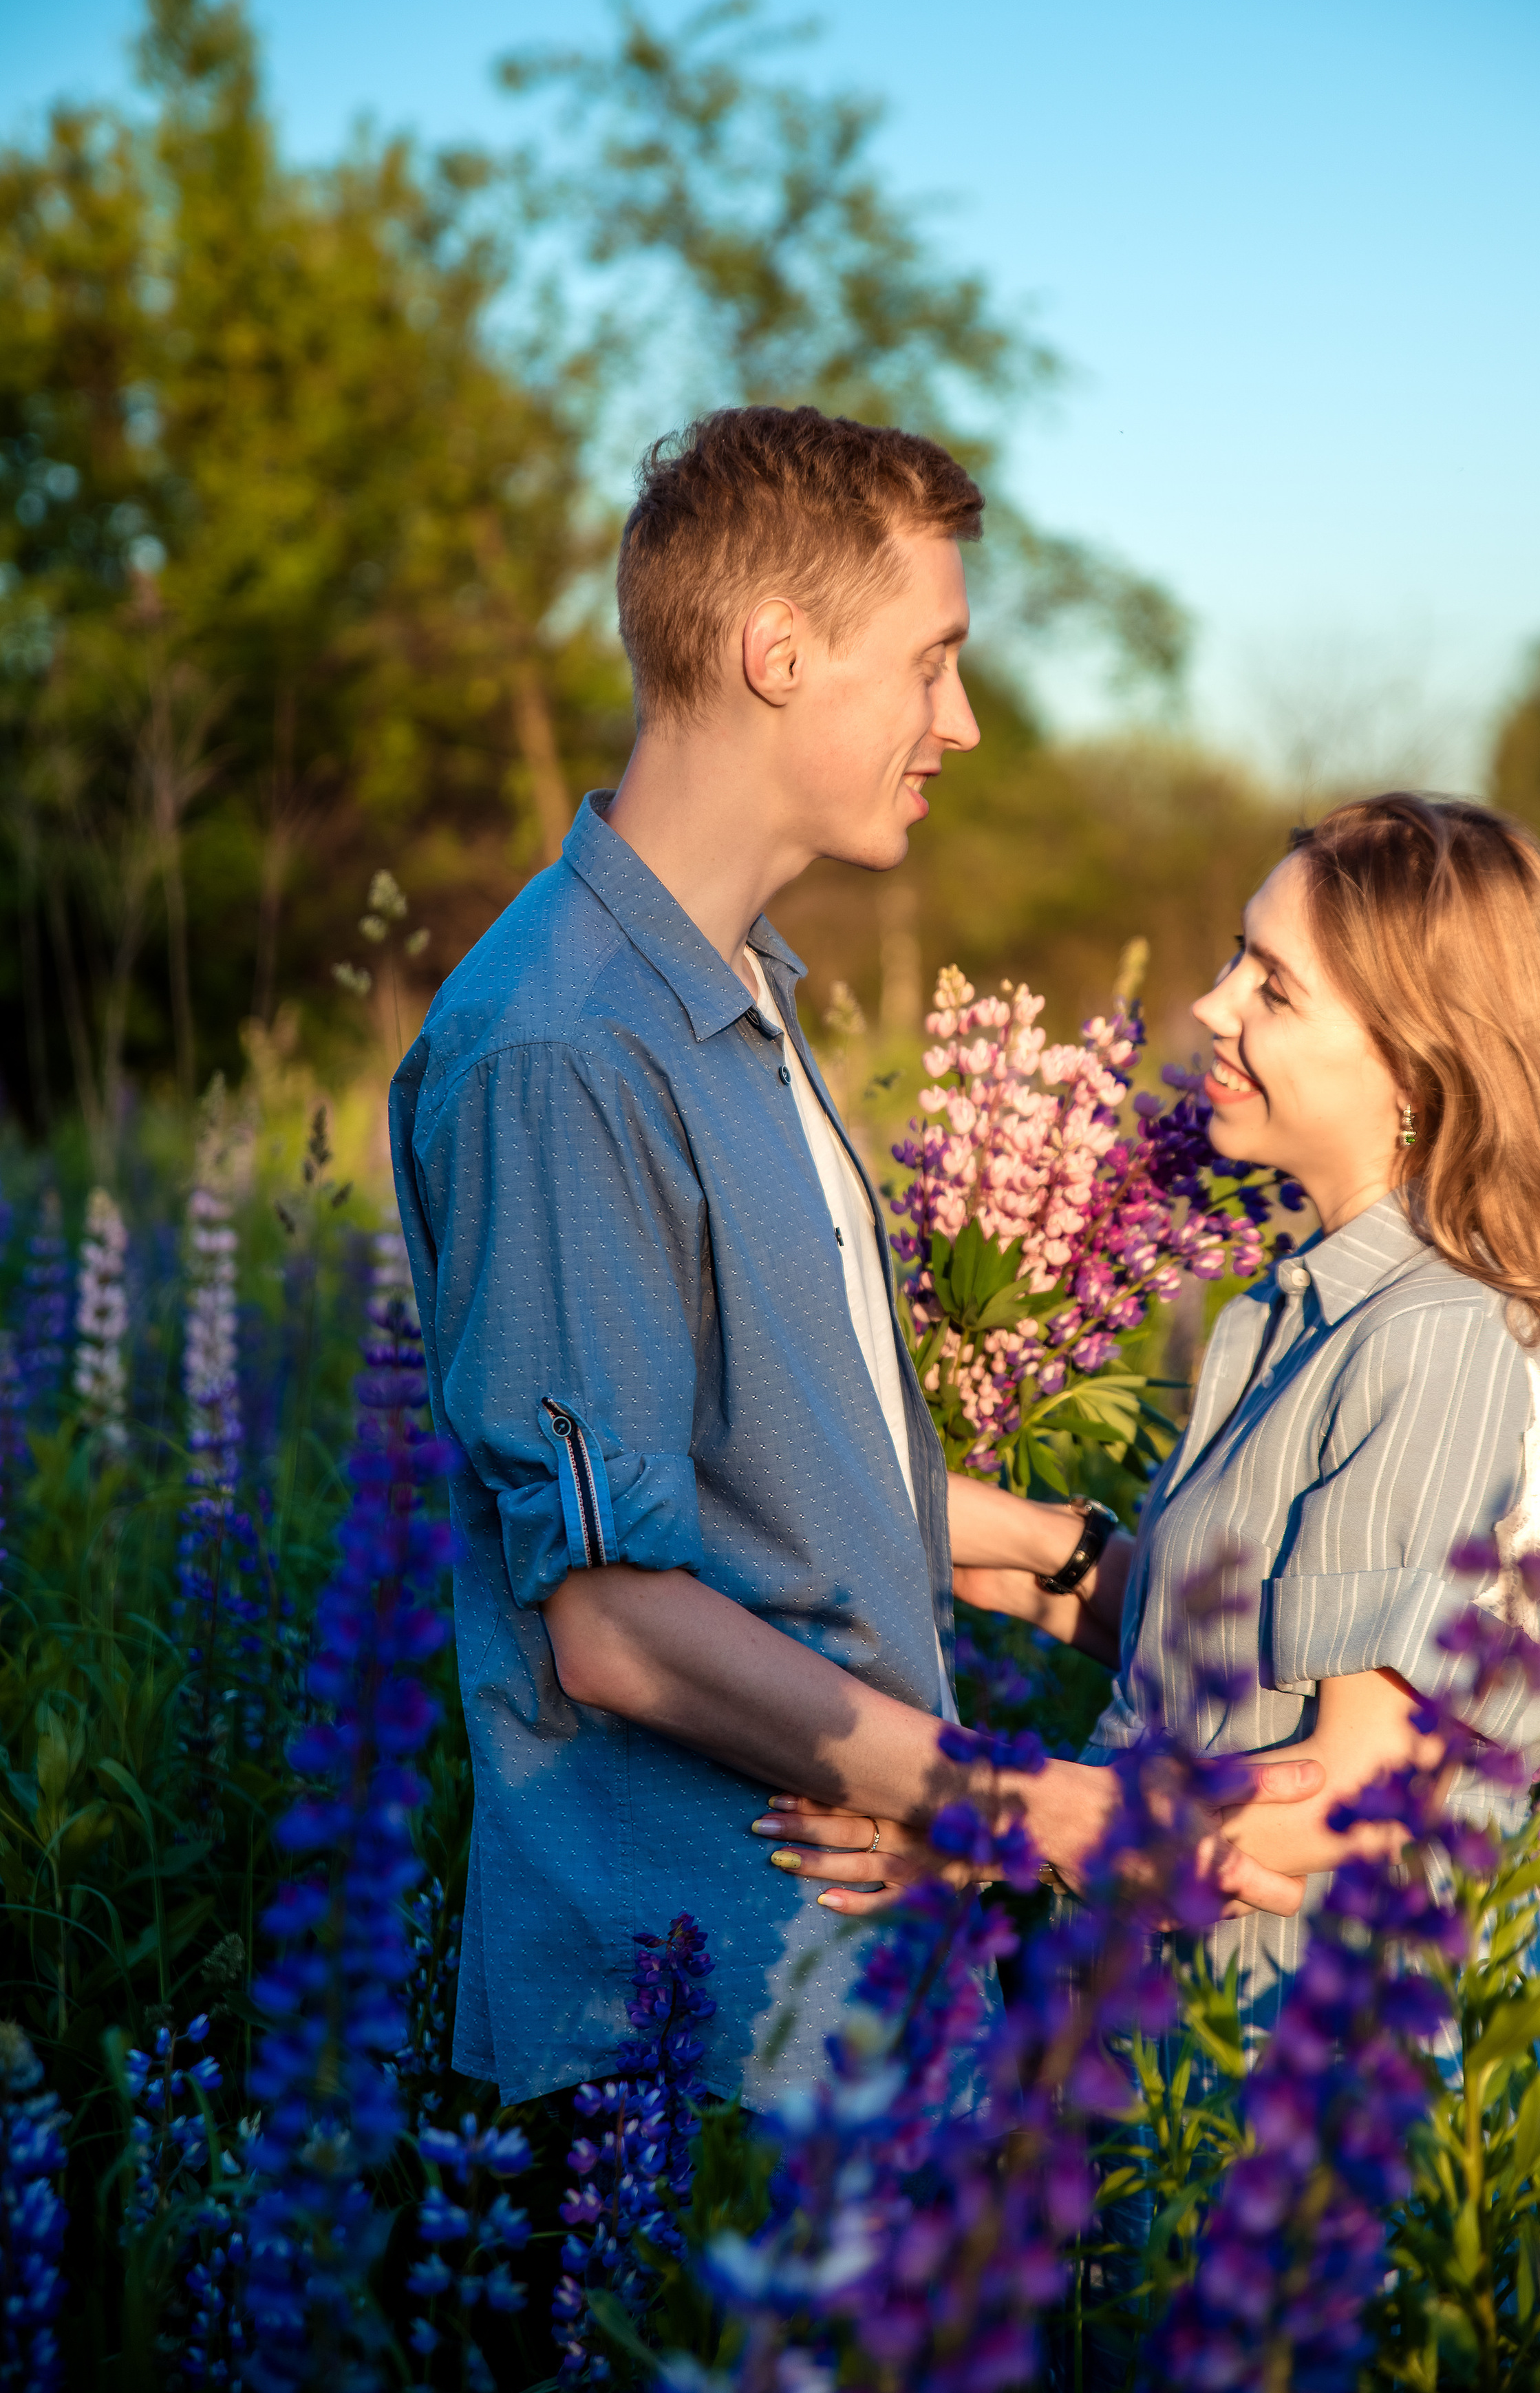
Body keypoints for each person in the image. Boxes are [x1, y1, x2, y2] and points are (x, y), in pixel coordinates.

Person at [389, 403, 1314, 2109]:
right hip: (677, 2052)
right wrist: (1022, 1804)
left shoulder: (732, 996)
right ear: (774, 651)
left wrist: (1056, 1553)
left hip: (847, 2004)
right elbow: (612, 1620)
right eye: (931, 663)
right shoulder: (565, 1047)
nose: (956, 724)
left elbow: (752, 1468)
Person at [769, 793, 1540, 2051]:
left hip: (1315, 2069)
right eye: (1235, 959)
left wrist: (980, 1827)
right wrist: (1042, 1551)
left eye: (1273, 984)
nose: (1213, 1006)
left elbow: (1355, 1791)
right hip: (1196, 2019)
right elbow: (1246, 1665)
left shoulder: (1441, 1337)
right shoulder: (1310, 1307)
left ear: (1415, 1062)